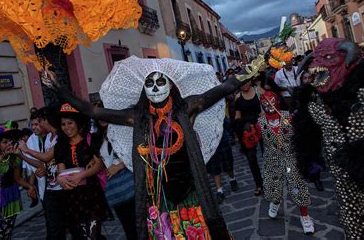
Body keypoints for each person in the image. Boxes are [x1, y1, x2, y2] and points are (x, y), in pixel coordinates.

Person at [43, 56, 243, 239]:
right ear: (144, 89)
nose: (155, 88)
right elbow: (93, 110)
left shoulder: (186, 108)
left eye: (160, 81)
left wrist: (258, 65)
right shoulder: (137, 118)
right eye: (149, 83)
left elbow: (226, 88)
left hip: (191, 194)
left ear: (171, 85)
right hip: (159, 198)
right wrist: (59, 89)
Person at [294, 38, 364, 238]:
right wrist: (309, 159)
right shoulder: (313, 101)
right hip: (345, 182)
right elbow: (307, 133)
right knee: (357, 231)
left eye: (327, 59)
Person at [256, 91, 314, 234]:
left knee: (297, 184)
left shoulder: (288, 116)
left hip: (290, 157)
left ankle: (305, 216)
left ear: (277, 102)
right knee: (273, 184)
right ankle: (276, 201)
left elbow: (301, 133)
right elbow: (254, 141)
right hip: (272, 158)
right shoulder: (260, 123)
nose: (269, 106)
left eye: (271, 102)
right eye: (265, 103)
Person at [54, 103, 109, 239]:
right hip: (72, 198)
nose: (67, 128)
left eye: (70, 123)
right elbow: (61, 170)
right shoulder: (60, 146)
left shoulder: (91, 140)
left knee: (93, 235)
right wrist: (60, 178)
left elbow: (99, 164)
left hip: (91, 194)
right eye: (63, 124)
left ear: (78, 123)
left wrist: (82, 175)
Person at [0, 129, 37, 239]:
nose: (8, 145)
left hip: (10, 197)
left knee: (7, 233)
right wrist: (1, 156)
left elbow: (17, 179)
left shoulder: (14, 157)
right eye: (5, 142)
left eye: (10, 142)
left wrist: (30, 187)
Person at [19, 106, 65, 240]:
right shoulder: (49, 137)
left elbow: (46, 157)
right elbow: (44, 163)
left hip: (61, 186)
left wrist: (26, 150)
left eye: (40, 121)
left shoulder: (59, 137)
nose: (38, 125)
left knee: (63, 222)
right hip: (50, 187)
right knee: (53, 223)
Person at [95, 101, 137, 240]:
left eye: (103, 114)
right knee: (127, 227)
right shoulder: (100, 137)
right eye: (98, 115)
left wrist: (119, 166)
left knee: (138, 225)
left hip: (131, 184)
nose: (101, 118)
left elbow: (137, 151)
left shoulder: (122, 131)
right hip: (117, 191)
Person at [234, 80, 264, 196]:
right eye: (241, 84)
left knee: (267, 153)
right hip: (247, 130)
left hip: (261, 126)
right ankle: (258, 183)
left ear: (250, 81)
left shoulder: (258, 91)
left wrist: (264, 112)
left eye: (246, 82)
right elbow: (238, 115)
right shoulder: (238, 97)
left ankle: (272, 179)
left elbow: (269, 103)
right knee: (251, 158)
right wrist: (237, 129)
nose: (244, 85)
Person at [296, 71, 324, 191]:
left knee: (316, 152)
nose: (307, 80)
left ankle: (316, 177)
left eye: (309, 77)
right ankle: (310, 173)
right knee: (305, 151)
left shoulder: (317, 91)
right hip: (302, 126)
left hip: (316, 125)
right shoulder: (297, 92)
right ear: (301, 79)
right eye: (304, 78)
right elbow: (294, 107)